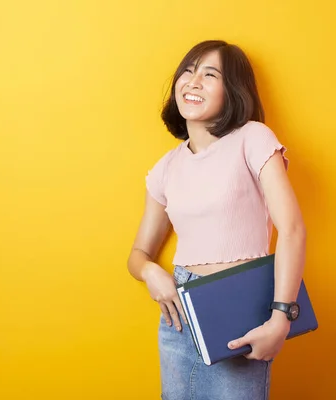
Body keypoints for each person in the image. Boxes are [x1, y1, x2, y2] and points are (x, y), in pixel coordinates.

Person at [127, 40, 307, 399]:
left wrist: (281, 316)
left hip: (240, 307)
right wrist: (151, 273)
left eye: (210, 74)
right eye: (188, 71)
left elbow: (292, 229)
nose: (193, 81)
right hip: (179, 313)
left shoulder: (253, 138)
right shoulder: (165, 168)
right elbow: (138, 254)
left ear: (233, 90)